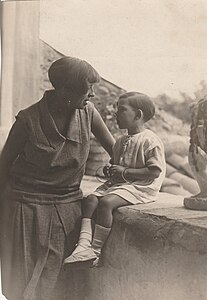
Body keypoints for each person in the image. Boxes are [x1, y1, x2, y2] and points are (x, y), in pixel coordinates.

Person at [0, 56, 115, 300]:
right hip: (24, 207)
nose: (92, 94)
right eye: (88, 87)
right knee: (22, 282)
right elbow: (3, 165)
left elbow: (116, 152)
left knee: (62, 285)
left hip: (68, 209)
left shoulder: (88, 113)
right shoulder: (27, 120)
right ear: (65, 90)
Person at [64, 91, 166, 267]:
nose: (116, 113)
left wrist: (125, 171)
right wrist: (110, 169)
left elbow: (154, 172)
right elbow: (116, 163)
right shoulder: (120, 141)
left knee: (106, 203)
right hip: (121, 184)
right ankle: (83, 244)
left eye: (122, 110)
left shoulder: (150, 140)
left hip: (141, 186)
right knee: (89, 200)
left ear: (138, 115)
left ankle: (95, 251)